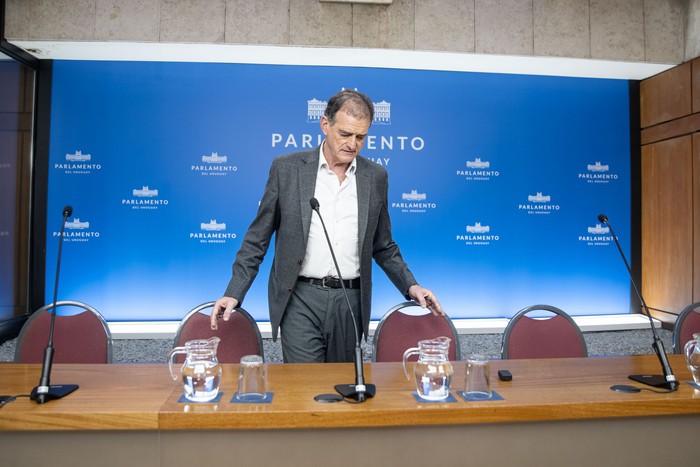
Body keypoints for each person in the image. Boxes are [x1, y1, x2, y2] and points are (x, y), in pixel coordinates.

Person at [210, 89, 443, 363]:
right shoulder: (287, 169)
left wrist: (411, 286)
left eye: (361, 137)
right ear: (325, 125)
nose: (352, 144)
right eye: (345, 134)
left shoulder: (376, 176)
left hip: (351, 299)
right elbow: (256, 239)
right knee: (304, 388)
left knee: (343, 389)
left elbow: (383, 245)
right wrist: (234, 292)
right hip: (300, 298)